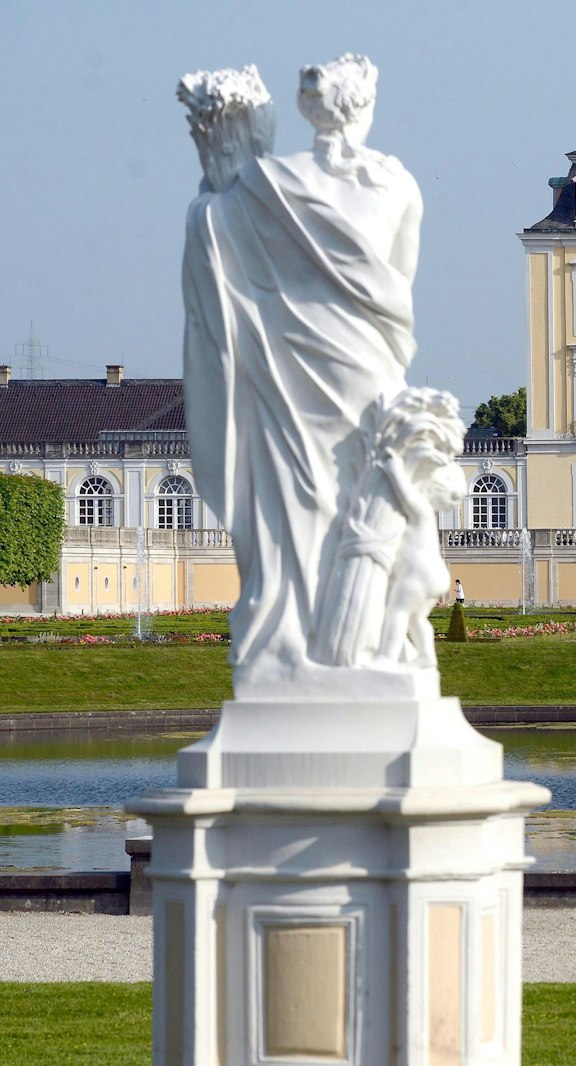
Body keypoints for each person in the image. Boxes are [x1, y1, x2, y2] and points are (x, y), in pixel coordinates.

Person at [179, 55, 425, 692]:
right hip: (366, 367)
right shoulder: (399, 186)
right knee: (355, 502)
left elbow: (217, 245)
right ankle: (360, 645)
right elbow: (399, 289)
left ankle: (288, 643)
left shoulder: (262, 184)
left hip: (284, 366)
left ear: (304, 109)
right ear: (366, 106)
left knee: (293, 507)